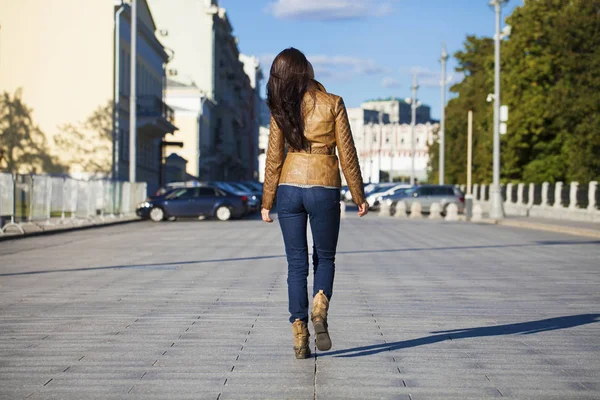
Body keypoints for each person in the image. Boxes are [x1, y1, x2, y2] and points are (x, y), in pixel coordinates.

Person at [261, 47, 369, 359]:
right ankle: (319, 307)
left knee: (296, 265)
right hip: (324, 186)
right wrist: (358, 195)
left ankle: (299, 336)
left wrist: (267, 201)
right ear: (305, 70)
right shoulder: (333, 102)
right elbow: (347, 155)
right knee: (325, 257)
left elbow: (273, 159)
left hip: (289, 187)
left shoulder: (281, 109)